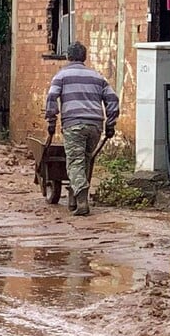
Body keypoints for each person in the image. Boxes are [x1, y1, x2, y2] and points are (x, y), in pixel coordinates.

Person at [45, 41, 119, 216]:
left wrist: (51, 120)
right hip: (95, 125)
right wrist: (110, 123)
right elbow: (113, 99)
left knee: (75, 163)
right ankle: (74, 199)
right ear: (84, 57)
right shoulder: (97, 77)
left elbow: (51, 97)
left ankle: (81, 201)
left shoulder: (61, 76)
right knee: (85, 160)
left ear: (68, 57)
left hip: (74, 124)